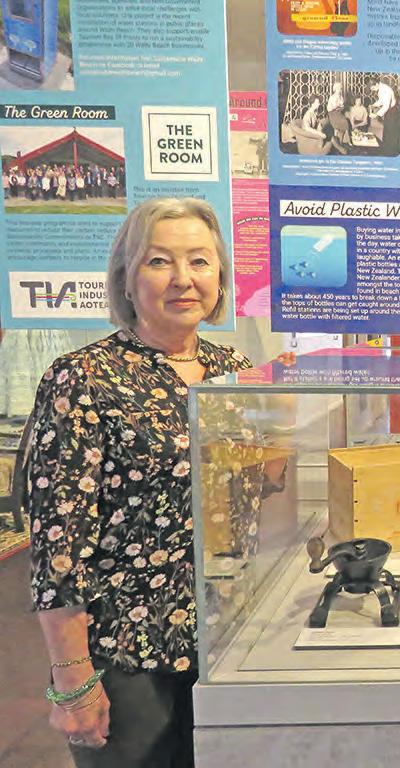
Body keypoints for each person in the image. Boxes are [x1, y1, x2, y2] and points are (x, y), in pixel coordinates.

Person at [23, 198, 287, 767]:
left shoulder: (232, 369)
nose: (183, 279)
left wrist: (286, 431)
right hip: (129, 654)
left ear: (220, 276)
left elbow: (251, 489)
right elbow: (58, 545)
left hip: (227, 637)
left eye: (200, 261)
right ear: (127, 276)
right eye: (159, 261)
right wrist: (73, 679)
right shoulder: (83, 377)